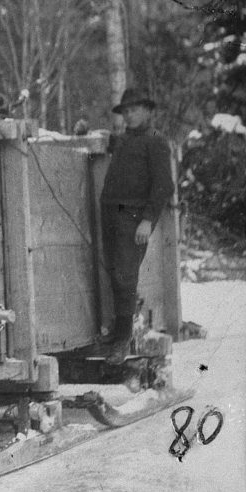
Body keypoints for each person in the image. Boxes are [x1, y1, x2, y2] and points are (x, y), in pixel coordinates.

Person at [98, 88, 175, 364]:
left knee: (125, 276)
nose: (129, 115)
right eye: (126, 111)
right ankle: (120, 332)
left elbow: (164, 185)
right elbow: (111, 147)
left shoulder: (155, 141)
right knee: (115, 274)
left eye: (134, 110)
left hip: (133, 218)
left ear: (147, 110)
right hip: (111, 215)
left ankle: (122, 340)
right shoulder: (124, 140)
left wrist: (147, 220)